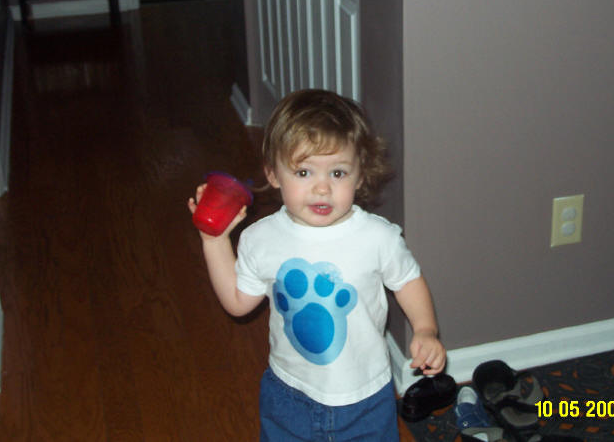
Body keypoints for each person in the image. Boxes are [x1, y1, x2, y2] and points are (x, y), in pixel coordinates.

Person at [187, 89, 446, 441]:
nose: (322, 188)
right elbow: (237, 303)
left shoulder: (377, 237)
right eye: (304, 171)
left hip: (365, 397)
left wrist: (425, 329)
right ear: (273, 174)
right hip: (289, 392)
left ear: (360, 176)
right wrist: (214, 242)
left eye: (338, 173)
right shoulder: (260, 239)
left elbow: (408, 280)